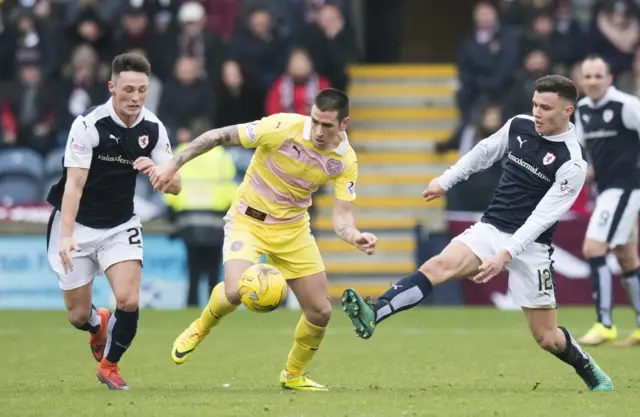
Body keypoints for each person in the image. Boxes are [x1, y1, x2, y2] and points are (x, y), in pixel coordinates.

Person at [341, 75, 614, 392]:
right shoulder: (518, 126)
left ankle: (589, 368)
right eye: (535, 105)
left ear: (568, 111)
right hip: (490, 227)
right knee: (436, 267)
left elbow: (541, 219)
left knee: (547, 338)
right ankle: (375, 312)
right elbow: (483, 152)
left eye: (546, 107)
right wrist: (445, 180)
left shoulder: (573, 162)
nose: (537, 112)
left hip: (531, 247)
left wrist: (505, 255)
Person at [151, 88, 377, 391]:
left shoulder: (345, 160)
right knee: (234, 292)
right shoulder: (282, 127)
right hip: (250, 219)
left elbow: (342, 218)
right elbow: (217, 136)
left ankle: (293, 375)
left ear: (343, 124)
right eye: (315, 121)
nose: (319, 131)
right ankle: (200, 328)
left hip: (294, 229)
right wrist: (173, 164)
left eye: (328, 125)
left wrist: (354, 236)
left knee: (321, 311)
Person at [46, 52, 182, 391]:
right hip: (75, 224)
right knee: (78, 316)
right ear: (112, 87)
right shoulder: (88, 125)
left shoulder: (153, 127)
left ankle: (110, 365)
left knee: (129, 299)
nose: (136, 98)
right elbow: (74, 186)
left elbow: (176, 186)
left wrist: (159, 173)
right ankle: (97, 324)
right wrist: (65, 237)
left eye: (142, 90)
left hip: (120, 225)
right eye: (128, 90)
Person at [574, 55, 640, 347]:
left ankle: (605, 324)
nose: (592, 82)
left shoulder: (626, 106)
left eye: (598, 76)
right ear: (581, 80)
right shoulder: (583, 110)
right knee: (626, 256)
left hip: (627, 188)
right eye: (587, 77)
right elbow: (580, 150)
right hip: (606, 189)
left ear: (609, 79)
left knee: (593, 248)